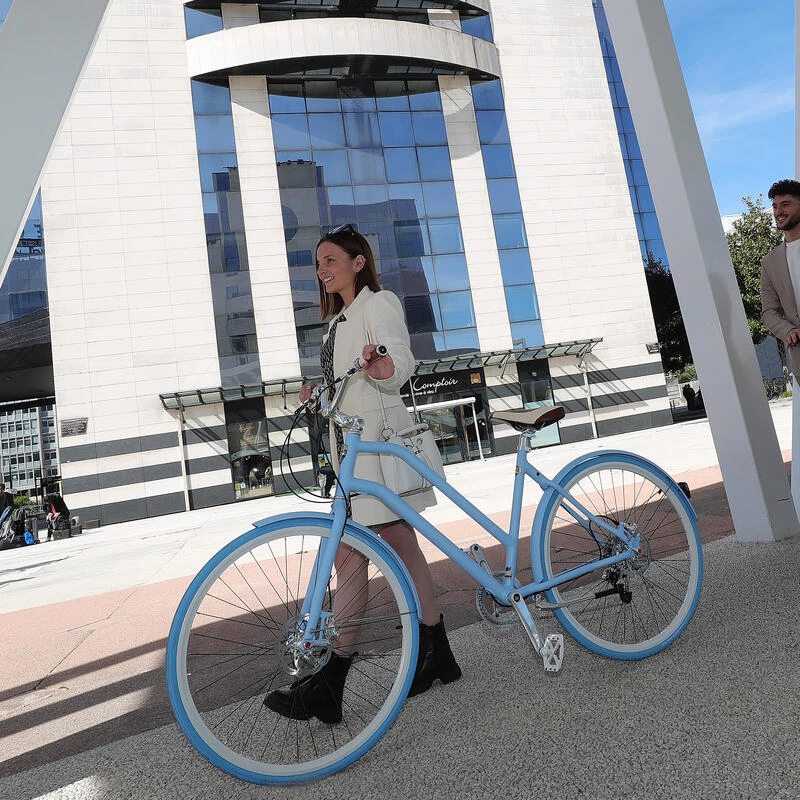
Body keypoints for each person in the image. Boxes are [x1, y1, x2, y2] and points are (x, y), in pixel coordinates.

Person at [264, 223, 461, 722]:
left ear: (358, 263)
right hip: (350, 455)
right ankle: (430, 655)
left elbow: (399, 360)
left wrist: (385, 369)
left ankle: (337, 679)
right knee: (373, 552)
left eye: (330, 260)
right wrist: (320, 393)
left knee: (368, 552)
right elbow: (346, 386)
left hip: (376, 450)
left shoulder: (378, 303)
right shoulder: (336, 323)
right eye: (318, 263)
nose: (322, 270)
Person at [761, 179, 800, 377]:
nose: (778, 212)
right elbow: (769, 311)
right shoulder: (769, 262)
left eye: (785, 204)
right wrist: (787, 330)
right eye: (775, 206)